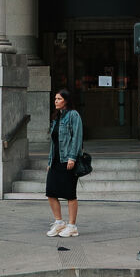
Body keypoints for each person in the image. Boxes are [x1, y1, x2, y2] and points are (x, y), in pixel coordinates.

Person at [45, 86, 83, 238]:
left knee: (69, 193)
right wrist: (49, 161)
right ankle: (59, 222)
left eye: (59, 99)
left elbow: (77, 138)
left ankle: (72, 226)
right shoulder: (57, 117)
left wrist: (72, 157)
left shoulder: (73, 115)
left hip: (68, 160)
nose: (56, 101)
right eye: (55, 99)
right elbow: (53, 143)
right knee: (51, 192)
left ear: (66, 101)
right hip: (55, 160)